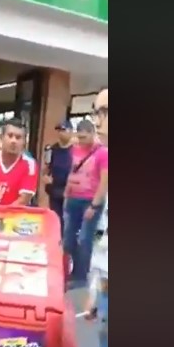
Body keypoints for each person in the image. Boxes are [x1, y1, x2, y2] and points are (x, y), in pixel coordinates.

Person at [62, 119, 108, 289]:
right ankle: (74, 269)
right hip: (74, 198)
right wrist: (67, 193)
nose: (81, 141)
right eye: (78, 137)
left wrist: (95, 205)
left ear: (92, 133)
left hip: (90, 201)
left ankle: (81, 277)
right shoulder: (75, 150)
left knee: (85, 239)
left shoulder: (102, 153)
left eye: (84, 137)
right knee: (68, 238)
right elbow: (73, 171)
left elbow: (104, 182)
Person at [43, 120, 74, 234]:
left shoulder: (75, 150)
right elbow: (46, 168)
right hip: (55, 189)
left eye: (64, 130)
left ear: (71, 131)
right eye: (59, 130)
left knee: (68, 222)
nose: (61, 133)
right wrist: (45, 178)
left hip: (70, 191)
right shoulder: (52, 150)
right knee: (55, 220)